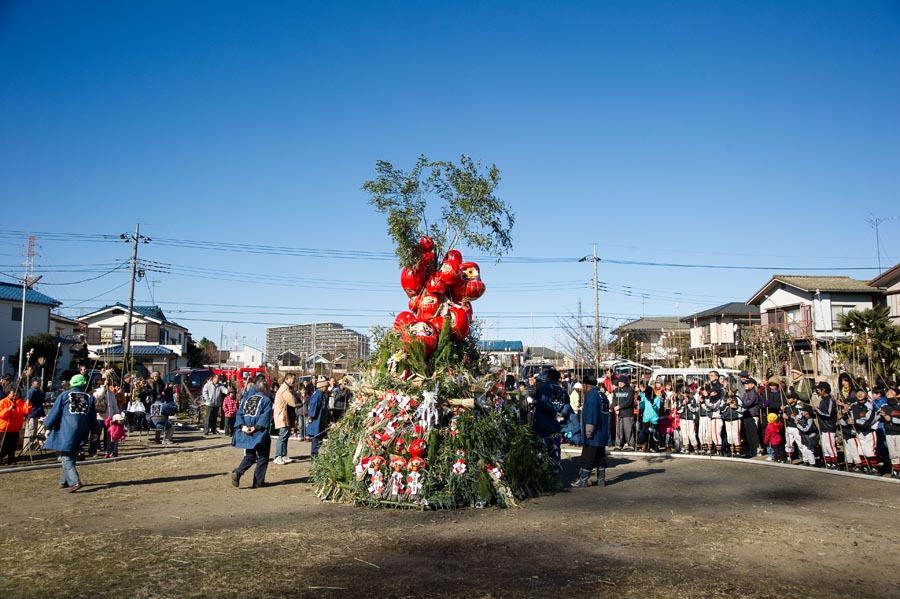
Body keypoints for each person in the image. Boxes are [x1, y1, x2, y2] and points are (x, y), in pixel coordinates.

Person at [42, 374, 96, 492]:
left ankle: (74, 482)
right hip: (82, 430)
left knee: (66, 455)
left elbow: (55, 412)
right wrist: (94, 431)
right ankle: (64, 481)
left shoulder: (64, 395)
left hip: (66, 429)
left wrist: (48, 426)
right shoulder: (89, 397)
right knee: (71, 454)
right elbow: (93, 417)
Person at [231, 375, 274, 488]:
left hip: (246, 430)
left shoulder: (248, 399)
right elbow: (265, 417)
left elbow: (240, 413)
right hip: (260, 433)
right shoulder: (266, 400)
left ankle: (239, 471)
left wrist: (243, 426)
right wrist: (256, 427)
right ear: (265, 389)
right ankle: (258, 481)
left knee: (250, 455)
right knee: (263, 456)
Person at [571, 375, 610, 487]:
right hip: (602, 431)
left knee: (587, 457)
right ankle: (601, 480)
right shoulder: (601, 394)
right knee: (600, 457)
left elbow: (592, 413)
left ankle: (583, 480)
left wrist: (589, 430)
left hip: (593, 433)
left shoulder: (591, 395)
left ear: (586, 385)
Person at [533, 368, 572, 467]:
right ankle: (555, 466)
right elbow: (567, 404)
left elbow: (544, 402)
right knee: (555, 446)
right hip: (556, 423)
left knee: (543, 445)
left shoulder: (545, 388)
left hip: (544, 422)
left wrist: (554, 412)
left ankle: (543, 468)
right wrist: (561, 413)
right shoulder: (562, 390)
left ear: (549, 377)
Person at [840, 388, 879, 474]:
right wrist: (844, 419)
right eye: (858, 393)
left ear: (866, 394)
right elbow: (846, 417)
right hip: (858, 431)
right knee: (861, 450)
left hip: (868, 431)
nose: (859, 394)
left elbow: (868, 420)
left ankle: (874, 468)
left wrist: (856, 421)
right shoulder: (853, 406)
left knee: (869, 450)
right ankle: (865, 467)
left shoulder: (869, 405)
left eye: (862, 393)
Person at [0, 386, 30, 465]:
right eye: (14, 393)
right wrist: (8, 409)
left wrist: (28, 404)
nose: (16, 395)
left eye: (17, 393)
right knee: (4, 446)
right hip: (4, 428)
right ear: (8, 393)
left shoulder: (20, 402)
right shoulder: (3, 402)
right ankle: (1, 458)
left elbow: (26, 411)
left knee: (12, 446)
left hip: (15, 428)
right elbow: (1, 415)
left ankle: (11, 459)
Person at [813, 381, 839, 470]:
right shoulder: (822, 400)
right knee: (825, 446)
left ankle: (834, 462)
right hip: (823, 427)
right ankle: (828, 462)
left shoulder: (830, 400)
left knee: (830, 445)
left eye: (819, 390)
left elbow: (828, 414)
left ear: (824, 390)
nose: (818, 391)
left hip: (829, 427)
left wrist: (817, 410)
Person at [273, 373, 297, 465]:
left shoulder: (287, 388)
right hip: (282, 415)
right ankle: (278, 456)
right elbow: (292, 402)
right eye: (293, 379)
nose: (294, 381)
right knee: (282, 436)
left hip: (285, 415)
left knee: (285, 436)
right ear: (287, 379)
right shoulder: (284, 389)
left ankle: (283, 455)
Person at [879, 386, 900, 478]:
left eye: (892, 391)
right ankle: (896, 471)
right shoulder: (884, 406)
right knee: (892, 453)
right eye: (888, 391)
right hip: (889, 432)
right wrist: (881, 416)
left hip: (898, 433)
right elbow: (877, 418)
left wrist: (891, 419)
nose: (888, 392)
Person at [612, 376, 636, 450]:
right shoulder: (616, 390)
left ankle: (630, 445)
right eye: (619, 382)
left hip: (627, 413)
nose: (620, 384)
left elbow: (629, 402)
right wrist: (615, 408)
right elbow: (614, 400)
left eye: (622, 382)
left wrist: (619, 407)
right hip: (619, 414)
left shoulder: (630, 391)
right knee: (619, 430)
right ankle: (618, 445)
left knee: (628, 430)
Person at [306, 378, 328, 458]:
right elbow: (314, 406)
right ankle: (314, 455)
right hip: (317, 420)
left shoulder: (320, 394)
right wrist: (311, 416)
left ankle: (315, 454)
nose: (327, 388)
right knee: (317, 438)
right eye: (326, 386)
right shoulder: (318, 395)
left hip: (320, 420)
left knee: (319, 438)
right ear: (322, 386)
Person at [740, 377, 762, 457]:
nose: (745, 385)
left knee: (753, 434)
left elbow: (747, 403)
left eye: (747, 384)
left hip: (753, 415)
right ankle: (752, 449)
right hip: (747, 415)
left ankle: (757, 449)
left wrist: (741, 403)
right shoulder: (746, 393)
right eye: (745, 384)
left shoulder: (753, 393)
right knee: (748, 435)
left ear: (752, 385)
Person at [23, 378, 45, 452]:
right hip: (32, 414)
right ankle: (26, 448)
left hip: (39, 413)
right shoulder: (31, 391)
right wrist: (26, 413)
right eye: (37, 381)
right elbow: (27, 403)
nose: (39, 383)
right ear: (32, 383)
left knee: (37, 432)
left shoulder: (39, 391)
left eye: (39, 381)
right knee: (30, 431)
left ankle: (33, 446)